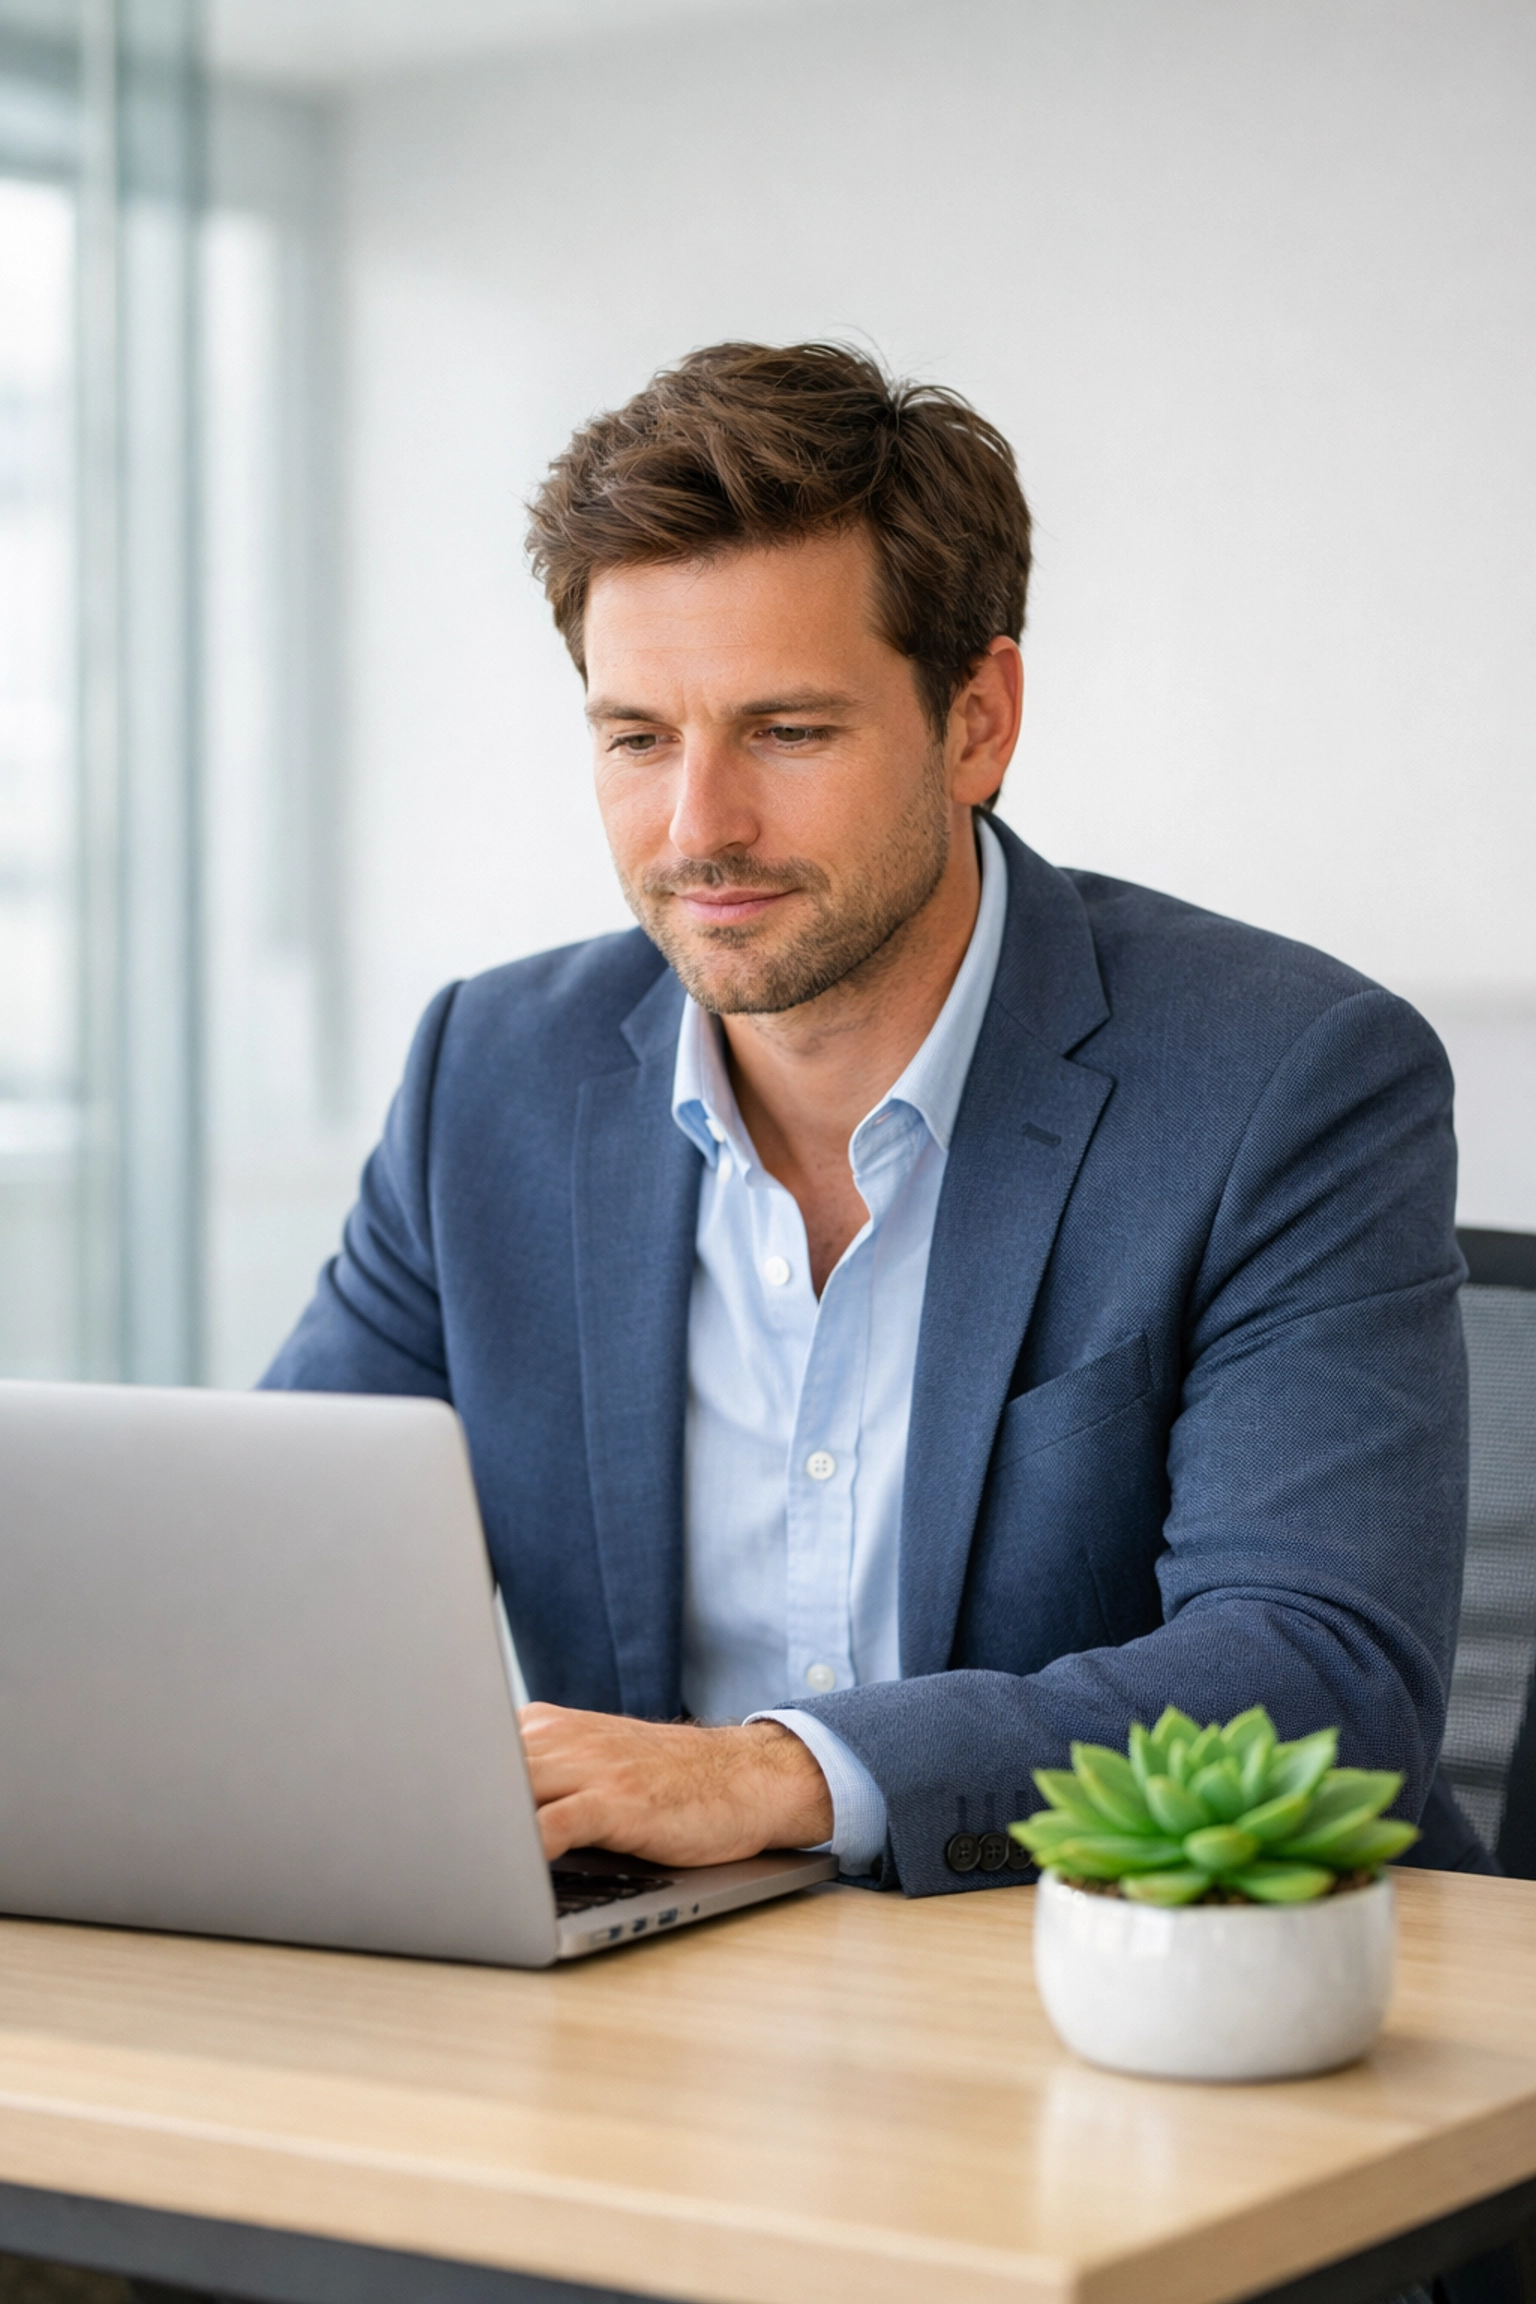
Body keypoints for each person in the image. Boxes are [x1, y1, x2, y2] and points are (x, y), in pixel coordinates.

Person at [264, 339, 1481, 1894]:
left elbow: (1320, 1685)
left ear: (977, 719)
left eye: (787, 731)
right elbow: (282, 1583)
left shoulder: (1289, 1078)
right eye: (637, 736)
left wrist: (774, 1778)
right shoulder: (489, 1077)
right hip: (652, 2003)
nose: (699, 828)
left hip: (1139, 1995)